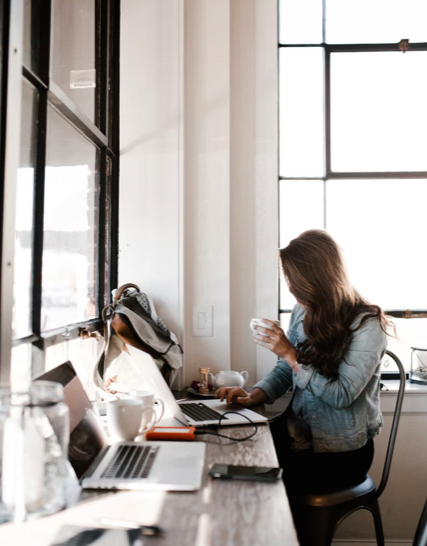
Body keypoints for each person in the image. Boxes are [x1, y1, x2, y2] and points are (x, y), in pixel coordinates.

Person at [215, 230, 392, 540]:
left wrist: (290, 353)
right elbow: (287, 367)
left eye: (294, 281)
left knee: (261, 484)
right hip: (298, 435)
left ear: (317, 278)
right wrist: (254, 394)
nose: (291, 289)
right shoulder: (303, 311)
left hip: (340, 453)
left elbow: (341, 396)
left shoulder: (367, 324)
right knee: (229, 456)